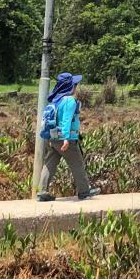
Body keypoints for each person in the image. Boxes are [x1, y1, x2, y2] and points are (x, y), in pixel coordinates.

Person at [37, 73, 96, 202]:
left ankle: (42, 191)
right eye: (75, 84)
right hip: (65, 139)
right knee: (77, 163)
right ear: (70, 86)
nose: (76, 87)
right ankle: (84, 191)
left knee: (50, 163)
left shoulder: (56, 100)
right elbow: (66, 120)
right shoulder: (69, 101)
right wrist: (66, 138)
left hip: (53, 138)